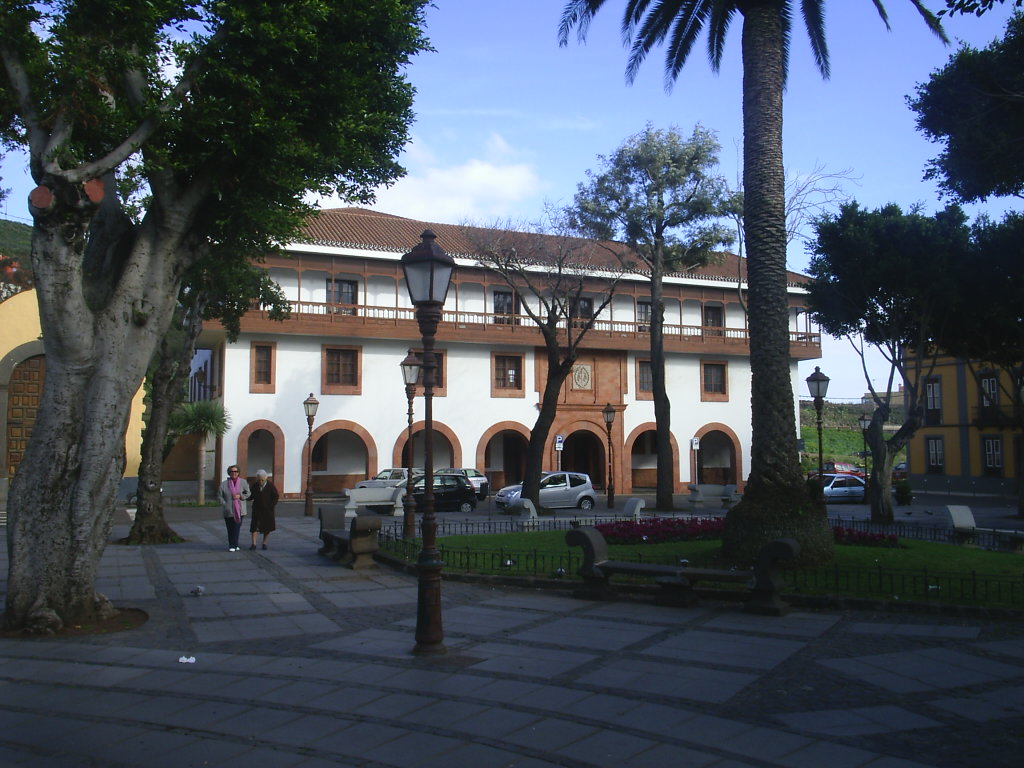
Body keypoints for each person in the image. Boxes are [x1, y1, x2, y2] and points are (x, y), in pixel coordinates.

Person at [218, 465, 250, 551]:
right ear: (229, 473)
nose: (234, 473)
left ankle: (235, 544)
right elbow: (219, 496)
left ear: (238, 473)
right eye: (232, 471)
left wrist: (241, 496)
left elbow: (248, 493)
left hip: (240, 510)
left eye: (236, 471)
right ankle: (232, 545)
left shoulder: (243, 482)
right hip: (228, 510)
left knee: (237, 528)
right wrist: (224, 503)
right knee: (230, 528)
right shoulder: (224, 484)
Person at [249, 469, 279, 550]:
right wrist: (244, 496)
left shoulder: (270, 486)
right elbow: (250, 495)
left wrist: (271, 505)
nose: (260, 482)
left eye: (262, 480)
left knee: (267, 527)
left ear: (266, 478)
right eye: (259, 480)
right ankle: (253, 544)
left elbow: (275, 496)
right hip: (257, 509)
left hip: (267, 510)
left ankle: (264, 543)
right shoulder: (255, 485)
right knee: (254, 527)